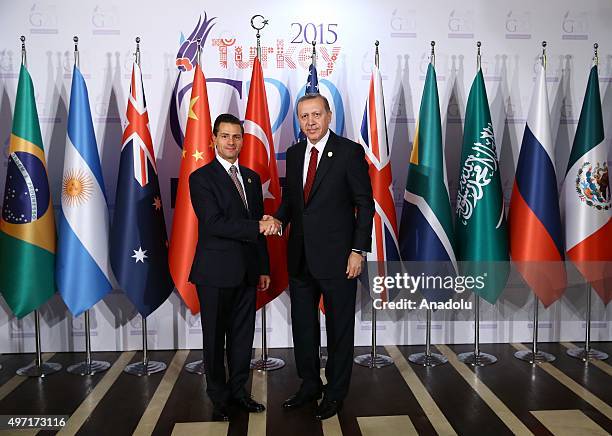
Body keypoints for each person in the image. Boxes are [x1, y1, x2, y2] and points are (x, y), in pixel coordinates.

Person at [266, 94, 374, 420]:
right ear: (298, 120)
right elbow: (291, 201)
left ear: (329, 115)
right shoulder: (296, 153)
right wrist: (279, 219)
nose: (310, 122)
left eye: (316, 115)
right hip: (300, 258)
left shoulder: (349, 152)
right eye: (304, 117)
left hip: (340, 260)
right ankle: (310, 384)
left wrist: (358, 251)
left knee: (339, 329)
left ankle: (336, 392)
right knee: (304, 328)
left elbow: (365, 205)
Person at [189, 113, 280, 421]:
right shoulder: (201, 177)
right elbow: (214, 224)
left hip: (248, 271)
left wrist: (264, 267)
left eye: (236, 136)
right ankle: (218, 397)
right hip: (214, 273)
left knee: (242, 337)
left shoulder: (252, 179)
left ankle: (239, 392)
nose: (231, 142)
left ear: (243, 140)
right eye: (225, 136)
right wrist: (257, 226)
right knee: (214, 339)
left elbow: (258, 232)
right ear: (213, 139)